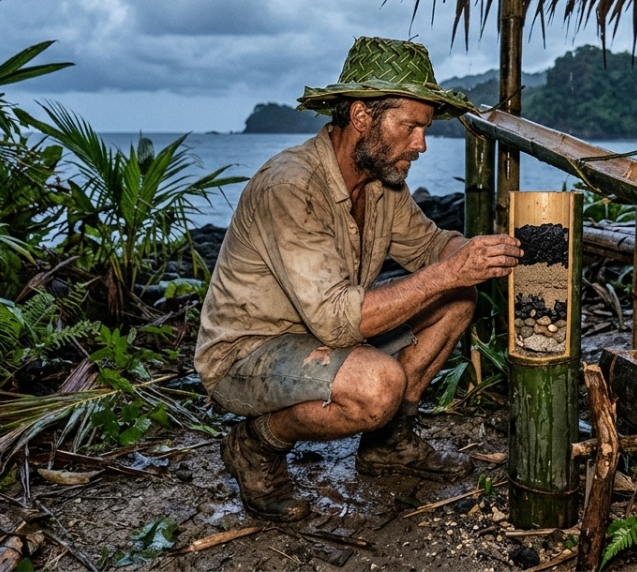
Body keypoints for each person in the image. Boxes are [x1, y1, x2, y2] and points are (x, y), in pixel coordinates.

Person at [194, 37, 522, 522]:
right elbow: (335, 322)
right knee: (376, 386)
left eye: (424, 129)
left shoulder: (383, 181)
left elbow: (431, 247)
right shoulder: (291, 185)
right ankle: (255, 446)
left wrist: (477, 256)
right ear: (363, 117)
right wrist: (449, 270)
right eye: (410, 126)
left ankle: (389, 443)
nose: (421, 144)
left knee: (457, 299)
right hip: (246, 355)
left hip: (320, 335)